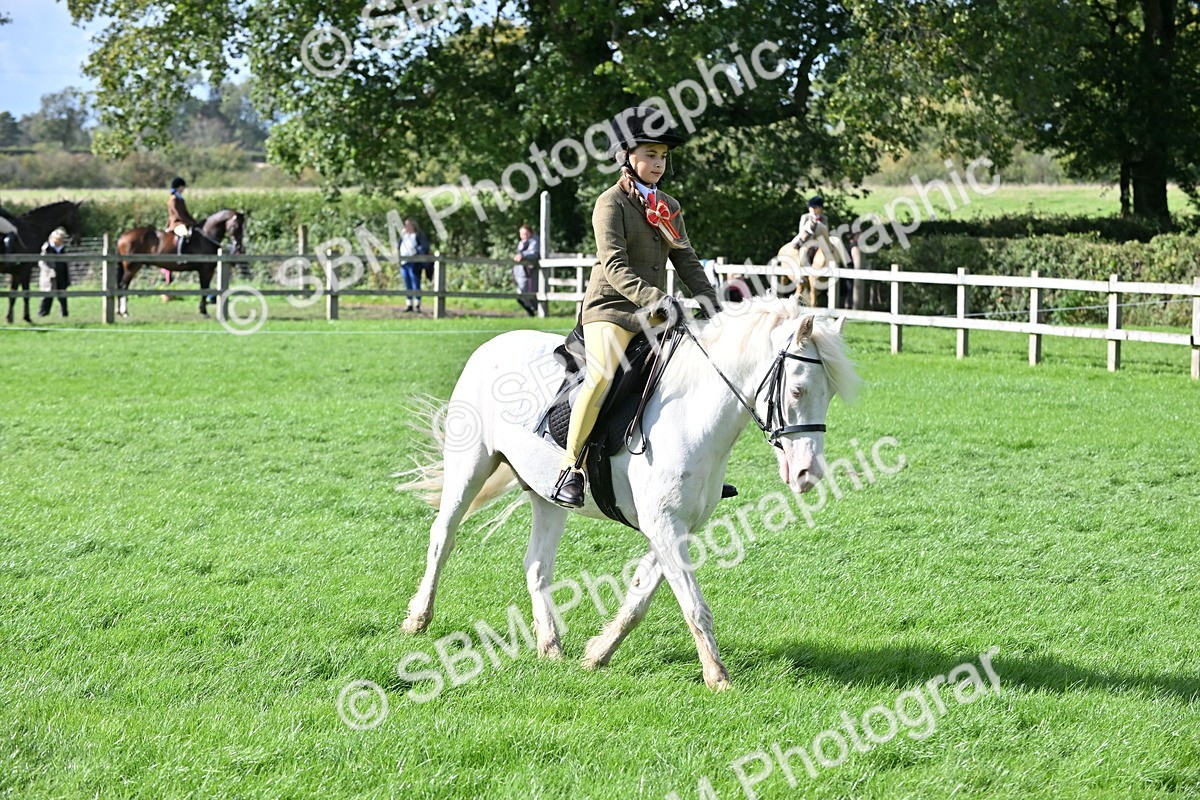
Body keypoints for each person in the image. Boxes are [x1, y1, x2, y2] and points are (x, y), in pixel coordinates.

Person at [551, 106, 719, 509]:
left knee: (692, 368)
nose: (657, 163)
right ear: (627, 155)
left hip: (654, 310)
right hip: (610, 308)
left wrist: (713, 303)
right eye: (649, 154)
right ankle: (569, 468)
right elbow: (614, 266)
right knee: (603, 374)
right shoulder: (610, 203)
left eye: (662, 156)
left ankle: (693, 471)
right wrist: (660, 301)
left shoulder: (669, 205)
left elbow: (686, 258)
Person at [37, 227, 71, 318]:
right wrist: (49, 271)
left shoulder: (62, 249)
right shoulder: (47, 248)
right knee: (47, 295)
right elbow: (42, 262)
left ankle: (64, 314)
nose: (60, 241)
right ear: (53, 238)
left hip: (62, 274)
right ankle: (43, 314)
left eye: (62, 239)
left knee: (63, 295)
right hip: (49, 276)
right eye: (58, 239)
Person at [399, 219, 431, 312]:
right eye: (406, 225)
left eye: (409, 225)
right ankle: (409, 303)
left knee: (415, 282)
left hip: (414, 262)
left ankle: (417, 304)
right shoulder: (404, 236)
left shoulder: (418, 235)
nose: (407, 227)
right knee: (407, 283)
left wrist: (417, 251)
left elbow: (424, 247)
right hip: (404, 262)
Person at [513, 224, 540, 316]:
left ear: (530, 233)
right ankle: (531, 312)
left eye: (526, 233)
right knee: (521, 295)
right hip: (521, 274)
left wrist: (523, 256)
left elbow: (535, 254)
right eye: (521, 234)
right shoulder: (521, 243)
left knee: (527, 295)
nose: (523, 236)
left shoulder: (534, 241)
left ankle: (533, 312)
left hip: (530, 274)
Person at [167, 177, 197, 255]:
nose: (183, 189)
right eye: (183, 187)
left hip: (183, 222)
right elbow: (178, 214)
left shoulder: (180, 199)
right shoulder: (173, 199)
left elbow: (186, 213)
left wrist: (194, 222)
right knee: (184, 233)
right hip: (176, 223)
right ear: (179, 187)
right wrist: (189, 222)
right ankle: (180, 255)